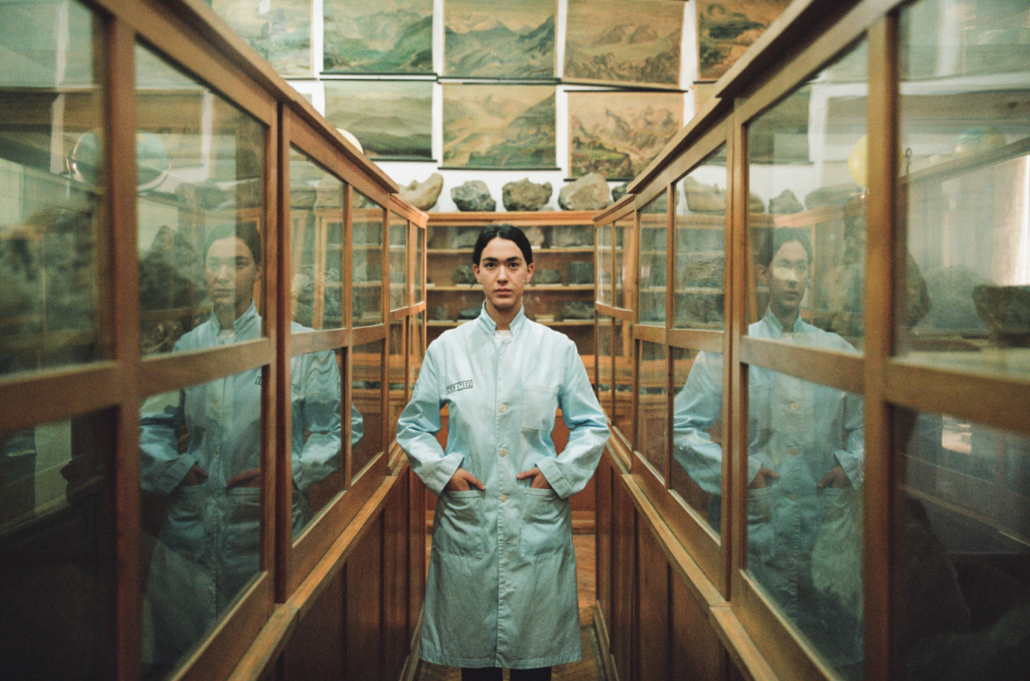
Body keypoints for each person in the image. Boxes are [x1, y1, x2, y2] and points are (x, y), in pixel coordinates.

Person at [397, 224, 610, 681]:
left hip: (535, 519)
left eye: (513, 264)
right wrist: (442, 471)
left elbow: (591, 426)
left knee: (535, 662)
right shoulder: (447, 349)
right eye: (491, 265)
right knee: (476, 665)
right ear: (476, 272)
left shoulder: (558, 349)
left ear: (530, 272)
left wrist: (557, 473)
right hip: (469, 516)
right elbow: (413, 427)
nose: (502, 276)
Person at [138, 222, 356, 667]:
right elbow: (148, 423)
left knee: (267, 652)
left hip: (266, 526)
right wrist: (175, 469)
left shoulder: (299, 347)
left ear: (257, 270)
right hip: (189, 532)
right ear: (202, 270)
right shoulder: (186, 347)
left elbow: (339, 430)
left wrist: (291, 471)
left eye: (236, 263)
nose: (222, 275)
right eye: (213, 263)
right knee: (186, 655)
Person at [673, 228, 864, 674]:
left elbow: (867, 426)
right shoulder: (730, 349)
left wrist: (852, 465)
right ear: (763, 273)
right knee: (756, 645)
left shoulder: (835, 351)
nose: (793, 278)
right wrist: (740, 471)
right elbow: (682, 427)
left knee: (824, 649)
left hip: (824, 521)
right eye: (784, 266)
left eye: (802, 267)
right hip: (757, 522)